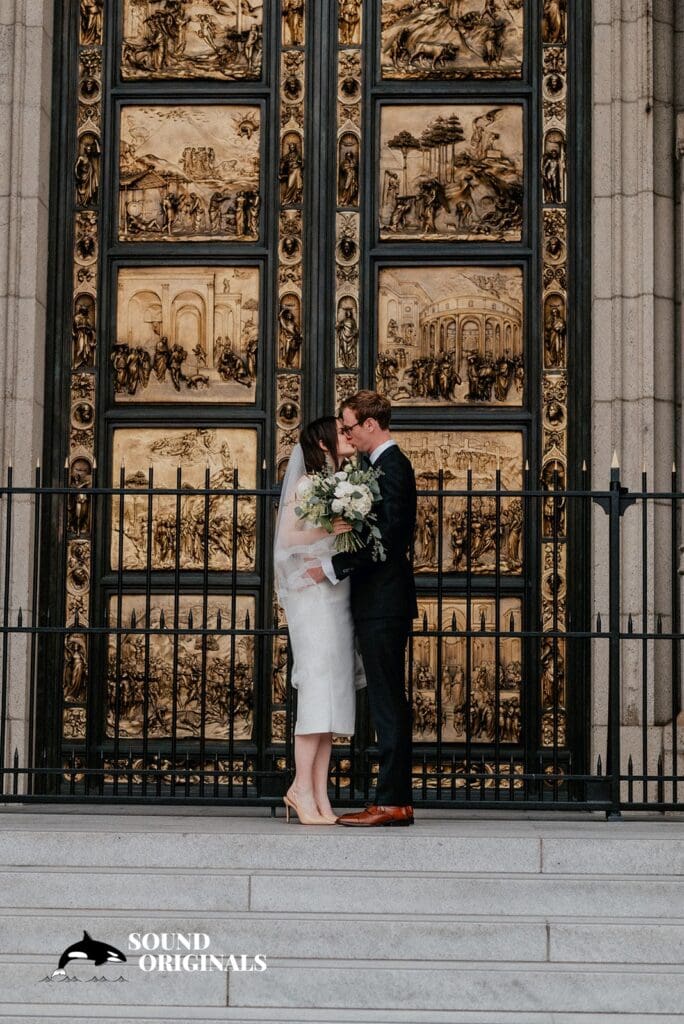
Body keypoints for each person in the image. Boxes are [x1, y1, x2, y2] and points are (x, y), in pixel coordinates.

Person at [306, 391, 418, 827]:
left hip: (385, 603)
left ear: (371, 425)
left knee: (389, 702)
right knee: (386, 701)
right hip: (375, 602)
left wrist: (335, 565)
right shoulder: (373, 468)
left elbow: (389, 540)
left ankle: (392, 802)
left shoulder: (394, 467)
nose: (346, 434)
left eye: (349, 426)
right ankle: (394, 800)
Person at [273, 417, 366, 825]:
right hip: (311, 597)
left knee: (333, 693)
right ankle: (299, 788)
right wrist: (328, 528)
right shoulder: (307, 484)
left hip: (336, 593)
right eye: (341, 433)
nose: (349, 437)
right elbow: (288, 539)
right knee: (316, 686)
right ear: (323, 443)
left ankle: (320, 795)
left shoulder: (342, 482)